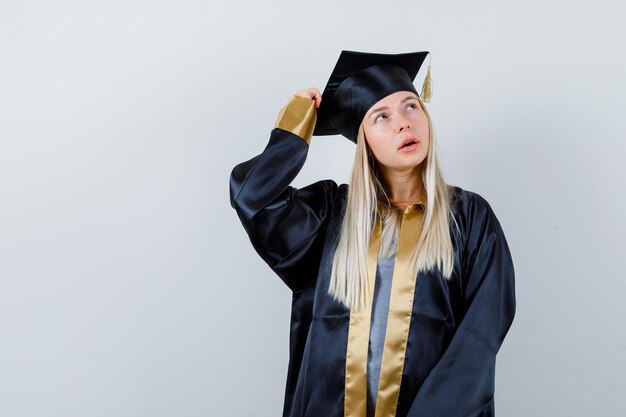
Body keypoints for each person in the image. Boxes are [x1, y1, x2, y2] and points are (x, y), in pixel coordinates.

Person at [229, 50, 516, 417]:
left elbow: (479, 337)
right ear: (364, 140)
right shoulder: (331, 215)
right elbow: (252, 197)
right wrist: (294, 125)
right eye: (382, 116)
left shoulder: (469, 217)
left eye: (411, 106)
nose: (403, 123)